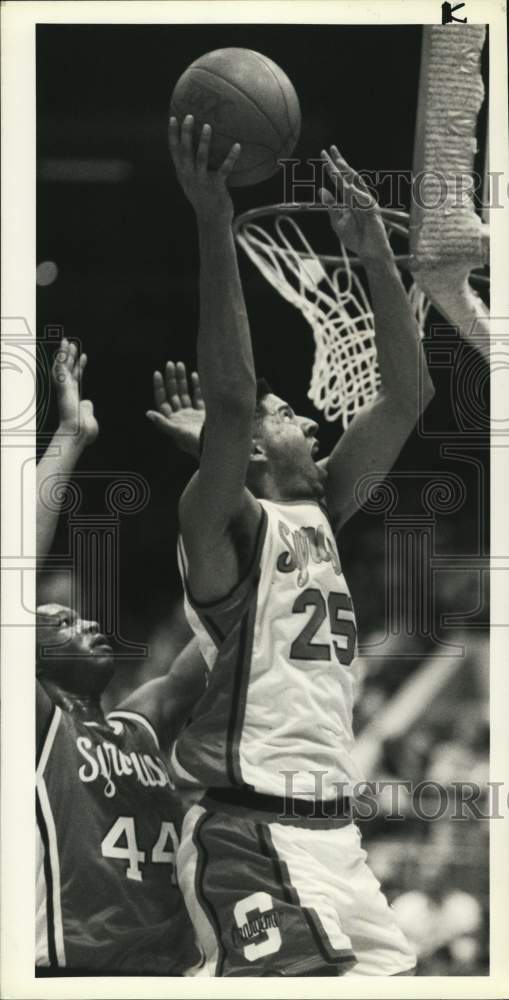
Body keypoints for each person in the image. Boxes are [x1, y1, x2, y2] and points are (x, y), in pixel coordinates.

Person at [162, 114, 437, 977]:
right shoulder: (227, 528)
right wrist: (211, 213)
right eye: (286, 415)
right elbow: (235, 396)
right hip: (250, 829)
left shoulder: (322, 512)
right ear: (245, 447)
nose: (310, 416)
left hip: (336, 839)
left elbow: (408, 395)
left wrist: (372, 257)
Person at [36, 339, 206, 974]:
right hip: (76, 972)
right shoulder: (37, 728)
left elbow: (226, 630)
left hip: (173, 971)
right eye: (57, 623)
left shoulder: (136, 724)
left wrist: (232, 475)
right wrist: (71, 439)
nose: (84, 623)